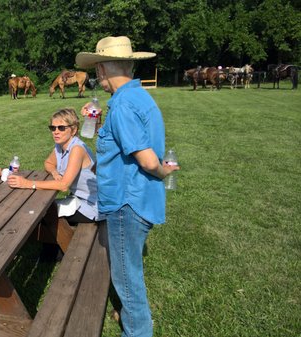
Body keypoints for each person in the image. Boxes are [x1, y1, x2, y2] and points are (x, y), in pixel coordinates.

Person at [75, 36, 180, 337]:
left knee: (125, 277)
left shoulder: (122, 106)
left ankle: (137, 331)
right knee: (129, 268)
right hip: (137, 199)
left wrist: (163, 171)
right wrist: (93, 124)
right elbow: (118, 144)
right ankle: (134, 317)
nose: (97, 78)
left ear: (104, 70)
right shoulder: (137, 97)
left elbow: (147, 161)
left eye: (97, 70)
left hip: (126, 203)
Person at [7, 108, 99, 225]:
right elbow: (48, 163)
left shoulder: (77, 149)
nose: (56, 131)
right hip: (78, 199)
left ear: (74, 129)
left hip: (93, 205)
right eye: (52, 128)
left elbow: (64, 186)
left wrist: (27, 183)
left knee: (42, 212)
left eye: (61, 128)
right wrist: (55, 172)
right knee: (43, 208)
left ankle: (53, 242)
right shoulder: (60, 146)